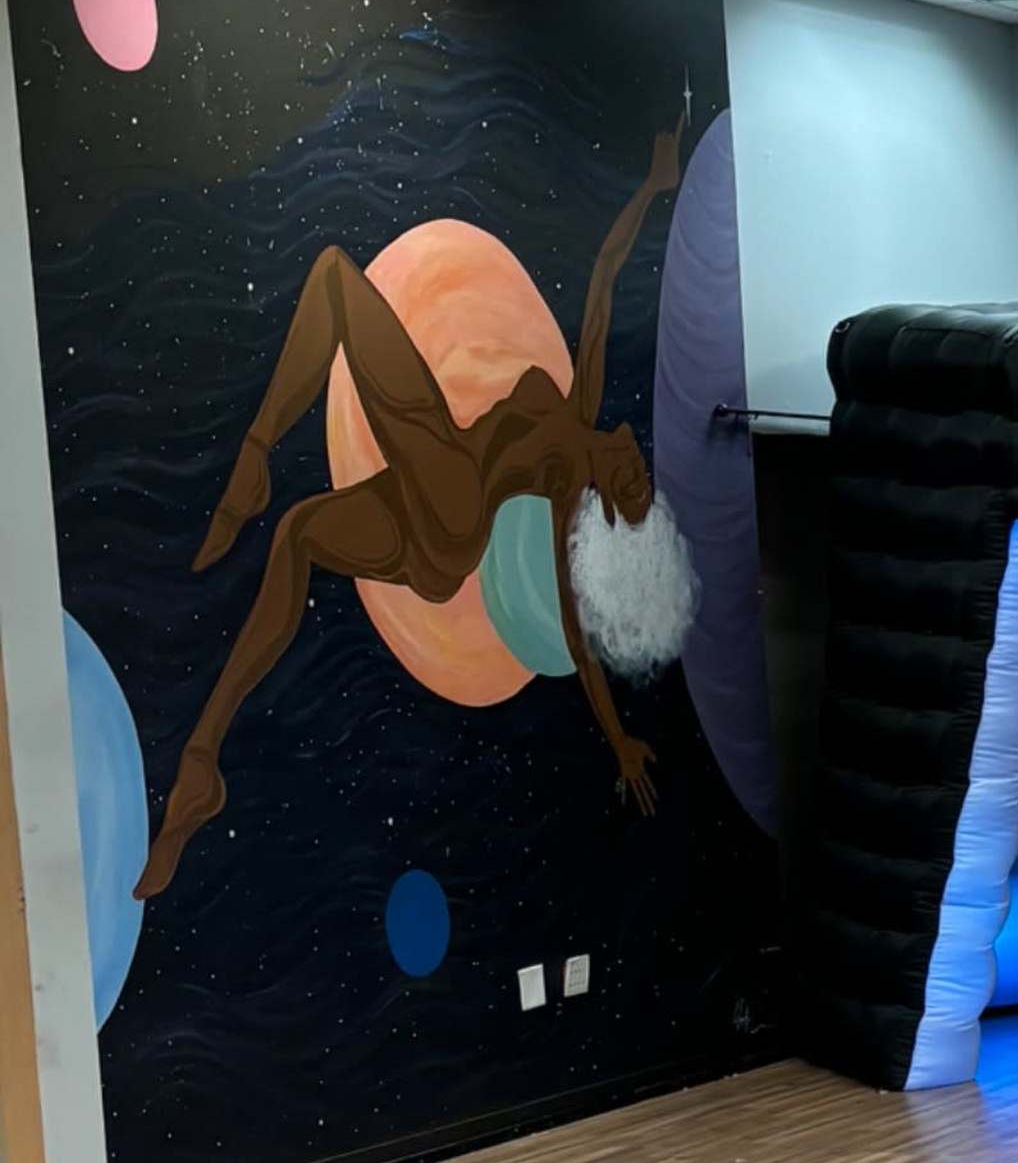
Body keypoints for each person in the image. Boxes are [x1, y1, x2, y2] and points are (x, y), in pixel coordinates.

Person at [139, 126, 684, 898]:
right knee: (297, 537)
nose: (635, 462)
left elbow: (576, 637)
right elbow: (605, 270)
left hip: (452, 503)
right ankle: (202, 766)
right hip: (432, 530)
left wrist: (620, 739)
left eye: (631, 482)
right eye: (642, 473)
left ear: (608, 488)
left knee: (335, 277)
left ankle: (256, 453)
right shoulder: (579, 400)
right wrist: (652, 187)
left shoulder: (567, 470)